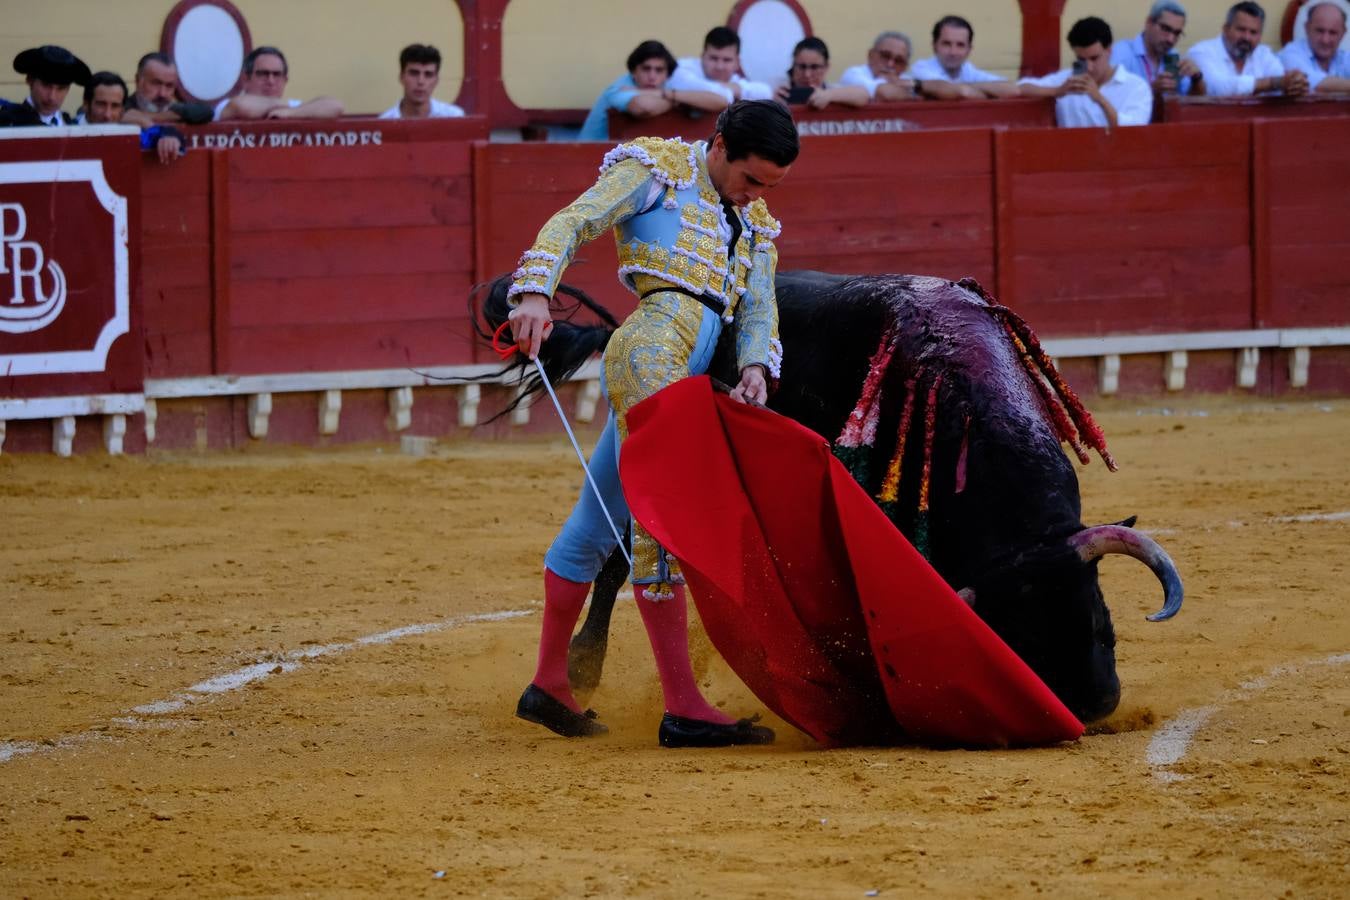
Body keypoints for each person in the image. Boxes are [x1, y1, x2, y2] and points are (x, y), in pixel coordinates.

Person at [507, 100, 797, 747]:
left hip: (683, 367)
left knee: (596, 519)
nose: (756, 198)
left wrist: (754, 368)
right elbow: (575, 220)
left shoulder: (756, 226)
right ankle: (683, 705)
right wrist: (533, 291)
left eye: (769, 188)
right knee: (658, 517)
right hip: (648, 350)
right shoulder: (659, 170)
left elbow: (757, 311)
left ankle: (549, 682)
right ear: (718, 146)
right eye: (751, 181)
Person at [1018, 17, 1154, 128]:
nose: (1089, 67)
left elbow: (1133, 131)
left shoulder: (1136, 87)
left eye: (1094, 58)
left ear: (1109, 51)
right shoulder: (1067, 80)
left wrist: (1099, 99)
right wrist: (1057, 91)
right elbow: (1021, 87)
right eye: (1081, 59)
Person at [578, 40, 726, 140]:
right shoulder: (618, 88)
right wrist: (679, 100)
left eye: (659, 70)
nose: (652, 76)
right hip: (587, 160)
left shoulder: (665, 90)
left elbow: (721, 100)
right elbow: (644, 107)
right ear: (634, 71)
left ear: (667, 75)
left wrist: (664, 94)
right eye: (646, 69)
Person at [1187, 2, 1308, 96]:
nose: (1246, 37)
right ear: (1225, 29)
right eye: (1241, 29)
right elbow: (1215, 87)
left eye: (1253, 32)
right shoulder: (1201, 52)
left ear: (1260, 36)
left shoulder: (1264, 54)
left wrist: (1294, 83)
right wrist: (1273, 83)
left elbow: (1281, 81)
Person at [77, 71, 185, 164]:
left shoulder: (128, 137)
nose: (107, 114)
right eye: (101, 104)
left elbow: (163, 133)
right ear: (86, 105)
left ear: (122, 110)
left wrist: (169, 137)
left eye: (115, 106)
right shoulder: (66, 128)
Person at [214, 46, 344, 120]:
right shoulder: (225, 105)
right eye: (263, 74)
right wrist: (289, 107)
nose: (271, 81)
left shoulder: (290, 109)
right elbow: (241, 107)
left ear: (285, 81)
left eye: (277, 75)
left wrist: (290, 113)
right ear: (246, 79)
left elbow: (335, 106)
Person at [838, 31, 969, 101]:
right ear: (870, 55)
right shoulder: (854, 74)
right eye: (885, 56)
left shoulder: (907, 80)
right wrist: (916, 95)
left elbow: (954, 91)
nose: (890, 64)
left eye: (899, 60)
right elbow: (885, 93)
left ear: (905, 66)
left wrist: (915, 85)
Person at [910, 16, 1020, 98]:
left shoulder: (968, 70)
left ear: (969, 50)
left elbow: (1012, 89)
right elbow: (959, 93)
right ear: (934, 46)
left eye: (960, 45)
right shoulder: (921, 68)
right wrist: (986, 91)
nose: (953, 52)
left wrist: (964, 89)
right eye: (946, 44)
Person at [1112, 2, 1206, 97]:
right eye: (1165, 29)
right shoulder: (1121, 54)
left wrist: (1196, 78)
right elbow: (1111, 99)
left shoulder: (1173, 56)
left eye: (1177, 33)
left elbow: (1193, 103)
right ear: (1149, 22)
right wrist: (1151, 91)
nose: (1171, 39)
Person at [665, 27, 773, 104]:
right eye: (713, 58)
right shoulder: (683, 67)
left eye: (727, 60)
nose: (719, 66)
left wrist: (735, 88)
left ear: (737, 62)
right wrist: (729, 90)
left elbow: (765, 92)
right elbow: (678, 82)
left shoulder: (734, 80)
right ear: (702, 56)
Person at [0, 45, 91, 127]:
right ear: (30, 80)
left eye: (61, 88)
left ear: (68, 89)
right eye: (46, 85)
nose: (52, 97)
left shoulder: (72, 125)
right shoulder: (7, 122)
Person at [120, 53, 213, 129]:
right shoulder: (118, 108)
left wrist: (149, 116)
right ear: (138, 81)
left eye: (169, 86)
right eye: (156, 83)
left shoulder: (174, 109)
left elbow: (207, 111)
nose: (162, 94)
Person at [775, 37, 869, 108]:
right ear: (793, 65)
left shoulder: (830, 90)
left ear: (826, 67)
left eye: (814, 67)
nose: (807, 74)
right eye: (802, 67)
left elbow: (863, 94)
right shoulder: (778, 90)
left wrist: (828, 95)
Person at [1279, 1, 1350, 94]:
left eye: (1333, 33)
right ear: (1307, 28)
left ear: (1343, 33)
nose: (1325, 40)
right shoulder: (1290, 54)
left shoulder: (1344, 57)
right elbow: (1313, 84)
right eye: (1320, 31)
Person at [379, 44, 465, 119]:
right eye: (414, 73)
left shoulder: (453, 116)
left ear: (436, 80)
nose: (421, 81)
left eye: (428, 75)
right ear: (401, 77)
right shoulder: (385, 121)